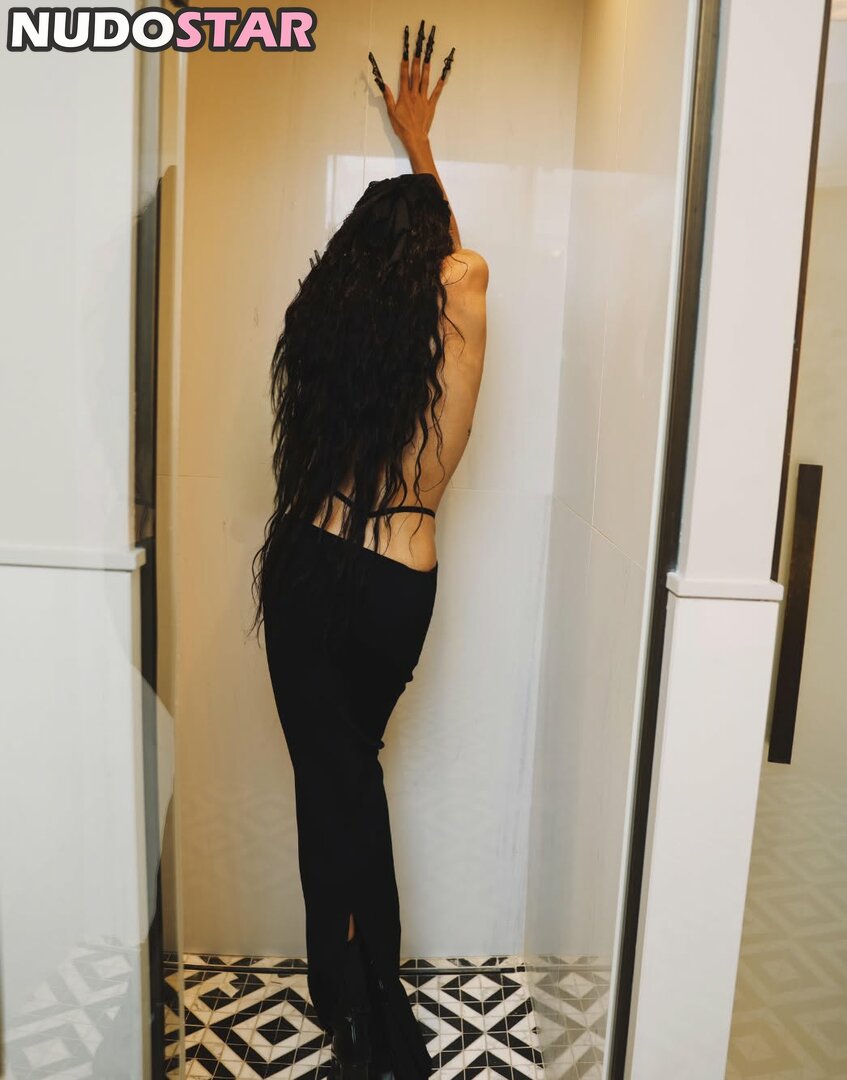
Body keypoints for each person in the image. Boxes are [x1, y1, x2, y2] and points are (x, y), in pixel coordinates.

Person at [249, 20, 488, 1080]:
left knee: (330, 780)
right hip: (398, 579)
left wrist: (411, 147)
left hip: (308, 562)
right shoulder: (461, 302)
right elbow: (456, 257)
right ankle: (364, 1002)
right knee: (346, 777)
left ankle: (358, 1004)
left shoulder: (326, 331)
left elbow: (410, 257)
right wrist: (423, 153)